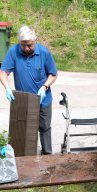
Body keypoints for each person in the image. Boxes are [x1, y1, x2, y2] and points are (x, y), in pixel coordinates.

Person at [0, 25, 58, 155]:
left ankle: (47, 156)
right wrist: (7, 88)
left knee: (44, 128)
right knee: (22, 128)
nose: (26, 48)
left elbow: (53, 74)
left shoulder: (44, 52)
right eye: (23, 45)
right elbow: (3, 72)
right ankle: (24, 157)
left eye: (30, 45)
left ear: (35, 40)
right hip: (23, 100)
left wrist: (45, 87)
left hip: (43, 100)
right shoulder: (13, 51)